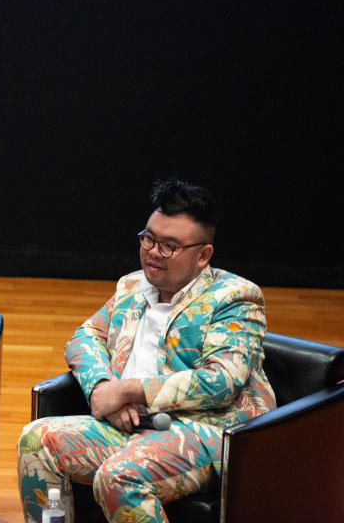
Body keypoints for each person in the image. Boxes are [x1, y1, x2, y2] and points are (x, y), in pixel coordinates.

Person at [17, 179, 276, 523]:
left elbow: (221, 381)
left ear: (203, 255)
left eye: (169, 246)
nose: (153, 252)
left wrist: (126, 390)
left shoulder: (235, 298)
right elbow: (85, 336)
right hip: (129, 425)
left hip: (201, 433)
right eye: (149, 238)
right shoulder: (132, 285)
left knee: (118, 477)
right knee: (37, 441)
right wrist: (101, 389)